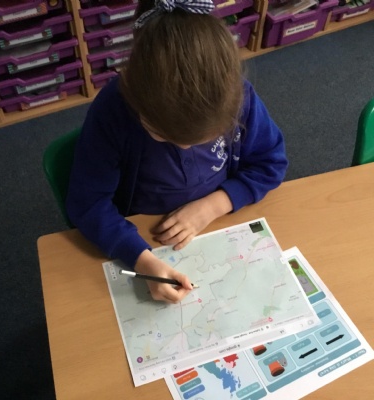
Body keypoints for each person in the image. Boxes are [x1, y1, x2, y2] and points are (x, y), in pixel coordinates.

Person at [66, 0, 288, 304]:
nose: (185, 148)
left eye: (204, 139)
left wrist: (214, 206)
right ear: (138, 102)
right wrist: (141, 260)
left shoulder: (238, 96)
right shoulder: (113, 110)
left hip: (219, 227)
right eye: (164, 136)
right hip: (144, 235)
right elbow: (87, 203)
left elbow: (270, 162)